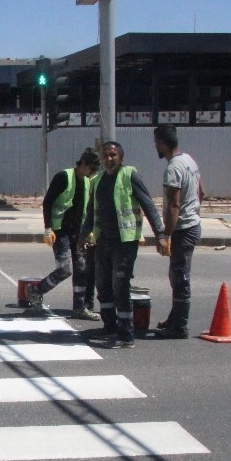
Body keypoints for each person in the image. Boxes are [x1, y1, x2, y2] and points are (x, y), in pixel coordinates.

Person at [80, 141, 168, 349]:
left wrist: (161, 235)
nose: (109, 159)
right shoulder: (97, 179)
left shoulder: (130, 176)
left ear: (121, 158)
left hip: (125, 241)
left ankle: (126, 334)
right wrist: (83, 235)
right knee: (103, 284)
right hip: (103, 240)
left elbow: (148, 205)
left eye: (113, 155)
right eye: (106, 156)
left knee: (120, 285)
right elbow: (92, 211)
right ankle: (109, 325)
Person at [27, 147, 102, 320]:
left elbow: (87, 208)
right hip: (60, 231)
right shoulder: (64, 177)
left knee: (81, 269)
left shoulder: (87, 181)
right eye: (91, 169)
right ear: (83, 163)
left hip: (78, 232)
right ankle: (36, 290)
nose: (92, 173)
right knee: (65, 269)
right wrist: (48, 228)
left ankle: (79, 308)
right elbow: (48, 203)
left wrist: (89, 231)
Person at [153, 124, 204, 339]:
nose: (155, 145)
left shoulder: (174, 168)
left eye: (156, 142)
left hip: (183, 229)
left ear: (162, 143)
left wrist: (166, 235)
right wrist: (193, 212)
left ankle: (179, 327)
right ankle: (175, 319)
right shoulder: (188, 160)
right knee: (176, 275)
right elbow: (202, 191)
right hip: (193, 225)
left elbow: (173, 206)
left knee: (180, 276)